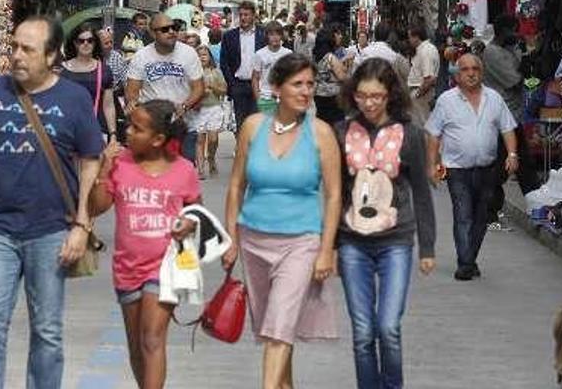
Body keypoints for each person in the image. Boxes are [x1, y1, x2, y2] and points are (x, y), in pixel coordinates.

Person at [0, 15, 104, 388]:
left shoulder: (75, 99)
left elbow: (90, 161)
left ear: (52, 56)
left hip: (51, 230)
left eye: (27, 49)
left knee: (47, 331)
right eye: (14, 46)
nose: (16, 55)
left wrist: (82, 224)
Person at [222, 53, 341, 389]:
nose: (306, 91)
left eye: (310, 84)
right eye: (297, 84)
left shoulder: (321, 134)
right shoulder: (253, 126)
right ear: (276, 87)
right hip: (254, 241)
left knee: (279, 328)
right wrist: (230, 237)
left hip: (301, 242)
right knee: (274, 329)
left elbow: (334, 196)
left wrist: (326, 249)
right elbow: (235, 186)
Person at [336, 58, 436, 389]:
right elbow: (334, 193)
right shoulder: (342, 133)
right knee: (363, 331)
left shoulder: (410, 134)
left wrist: (428, 247)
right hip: (353, 243)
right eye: (363, 95)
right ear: (353, 95)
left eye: (377, 96)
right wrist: (332, 245)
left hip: (396, 241)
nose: (369, 103)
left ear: (390, 94)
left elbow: (422, 191)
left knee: (388, 327)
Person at [89, 99, 200, 389]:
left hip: (165, 266)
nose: (128, 133)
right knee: (137, 345)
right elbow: (96, 207)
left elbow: (195, 210)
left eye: (137, 129)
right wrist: (104, 169)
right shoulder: (121, 164)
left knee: (152, 337)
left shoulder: (183, 169)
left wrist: (189, 222)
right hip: (127, 268)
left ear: (158, 139)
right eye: (129, 125)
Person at [425, 53, 518, 281]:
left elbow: (507, 128)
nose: (471, 73)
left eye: (475, 68)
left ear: (482, 72)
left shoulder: (494, 98)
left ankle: (469, 259)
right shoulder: (446, 101)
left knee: (481, 218)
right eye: (465, 69)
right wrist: (433, 164)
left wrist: (513, 154)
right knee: (463, 215)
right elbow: (433, 134)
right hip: (457, 170)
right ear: (457, 75)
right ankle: (465, 264)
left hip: (487, 169)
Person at [482, 15, 539, 226]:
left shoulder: (511, 48)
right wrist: (525, 62)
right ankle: (489, 212)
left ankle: (537, 205)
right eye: (512, 31)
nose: (516, 35)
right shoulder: (492, 52)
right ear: (501, 32)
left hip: (513, 116)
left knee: (523, 165)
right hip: (500, 117)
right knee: (501, 167)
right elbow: (515, 81)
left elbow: (526, 75)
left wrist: (526, 54)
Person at [125, 14, 204, 163]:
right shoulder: (142, 56)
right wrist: (133, 104)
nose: (171, 32)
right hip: (153, 127)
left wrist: (185, 106)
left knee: (183, 173)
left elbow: (198, 87)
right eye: (165, 29)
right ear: (153, 33)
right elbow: (132, 90)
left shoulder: (188, 53)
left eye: (174, 27)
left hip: (183, 124)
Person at [60, 24, 116, 141]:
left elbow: (108, 105)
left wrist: (113, 134)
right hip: (66, 130)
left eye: (90, 40)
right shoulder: (61, 70)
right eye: (81, 41)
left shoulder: (104, 70)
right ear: (74, 43)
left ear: (95, 43)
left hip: (96, 130)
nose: (85, 44)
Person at [220, 0, 267, 132]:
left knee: (257, 122)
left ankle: (253, 150)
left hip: (258, 85)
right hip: (239, 84)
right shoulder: (230, 36)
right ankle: (241, 149)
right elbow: (224, 62)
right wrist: (232, 82)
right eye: (241, 15)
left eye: (246, 15)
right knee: (241, 123)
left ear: (253, 16)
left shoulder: (263, 34)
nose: (243, 18)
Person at [194, 45, 227, 179]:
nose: (202, 57)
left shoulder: (215, 72)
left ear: (209, 57)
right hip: (198, 109)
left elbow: (224, 90)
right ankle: (200, 168)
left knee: (213, 139)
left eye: (204, 55)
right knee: (200, 139)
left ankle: (211, 158)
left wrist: (212, 87)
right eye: (199, 55)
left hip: (214, 108)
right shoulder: (193, 73)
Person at [252, 21, 293, 114]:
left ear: (281, 36)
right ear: (267, 36)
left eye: (278, 34)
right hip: (265, 97)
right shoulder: (260, 54)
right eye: (271, 34)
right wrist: (258, 98)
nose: (275, 37)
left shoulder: (288, 53)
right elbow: (255, 77)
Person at [99, 27, 130, 141]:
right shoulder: (93, 58)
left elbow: (125, 80)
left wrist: (127, 103)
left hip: (114, 96)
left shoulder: (116, 57)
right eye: (106, 43)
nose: (110, 45)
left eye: (111, 42)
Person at [406, 25, 441, 126]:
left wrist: (417, 94)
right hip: (420, 92)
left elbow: (429, 78)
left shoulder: (426, 51)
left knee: (421, 124)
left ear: (416, 37)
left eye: (410, 37)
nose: (409, 40)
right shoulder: (425, 49)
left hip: (422, 94)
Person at [313, 28, 349, 124]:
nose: (340, 37)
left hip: (319, 95)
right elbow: (342, 77)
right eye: (337, 34)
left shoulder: (316, 57)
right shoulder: (330, 57)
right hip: (332, 98)